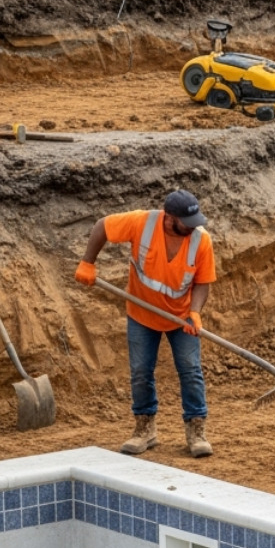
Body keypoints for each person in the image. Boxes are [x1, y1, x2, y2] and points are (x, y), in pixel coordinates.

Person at [75, 190, 217, 458]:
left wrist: (195, 313)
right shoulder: (143, 223)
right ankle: (145, 429)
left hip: (181, 317)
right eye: (187, 222)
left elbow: (202, 282)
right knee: (141, 371)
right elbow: (102, 226)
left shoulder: (201, 241)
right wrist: (87, 262)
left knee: (190, 370)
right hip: (142, 314)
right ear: (169, 218)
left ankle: (196, 430)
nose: (193, 227)